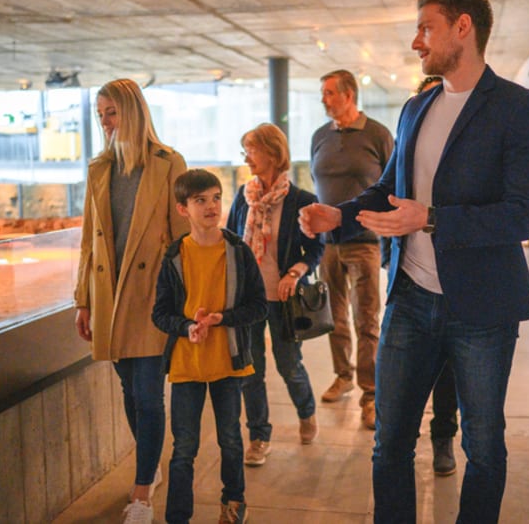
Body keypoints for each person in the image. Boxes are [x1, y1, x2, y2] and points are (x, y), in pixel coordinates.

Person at [299, 0, 529, 523]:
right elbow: (390, 189)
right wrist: (338, 214)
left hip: (482, 310)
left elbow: (525, 214)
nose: (417, 41)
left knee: (483, 449)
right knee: (389, 443)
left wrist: (432, 219)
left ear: (463, 27)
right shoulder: (416, 108)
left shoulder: (521, 108)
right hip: (411, 300)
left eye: (426, 27)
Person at [73, 78, 189, 524]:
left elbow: (183, 242)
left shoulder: (168, 163)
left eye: (112, 112)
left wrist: (183, 306)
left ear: (133, 112)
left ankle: (142, 492)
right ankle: (150, 463)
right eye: (100, 114)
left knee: (147, 393)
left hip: (151, 296)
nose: (105, 122)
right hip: (109, 296)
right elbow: (90, 241)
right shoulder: (99, 168)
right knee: (129, 389)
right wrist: (83, 300)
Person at [152, 169, 268, 524]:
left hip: (228, 362)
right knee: (183, 448)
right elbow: (160, 313)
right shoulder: (174, 256)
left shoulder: (238, 250)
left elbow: (259, 306)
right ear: (182, 209)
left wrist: (224, 318)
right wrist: (187, 327)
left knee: (231, 439)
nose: (211, 206)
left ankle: (233, 503)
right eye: (200, 200)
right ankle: (178, 516)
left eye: (216, 198)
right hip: (187, 363)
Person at [227, 123, 324, 465]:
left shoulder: (301, 201)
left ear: (272, 152)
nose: (247, 158)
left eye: (251, 150)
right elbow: (230, 241)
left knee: (288, 365)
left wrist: (295, 273)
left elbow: (314, 250)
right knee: (251, 370)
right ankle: (258, 436)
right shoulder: (244, 196)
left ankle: (307, 410)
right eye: (246, 151)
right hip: (247, 300)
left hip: (282, 300)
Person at [310, 69, 393, 430]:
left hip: (365, 242)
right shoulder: (319, 137)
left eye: (329, 93)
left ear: (348, 95)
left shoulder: (377, 134)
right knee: (334, 317)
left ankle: (371, 393)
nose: (324, 99)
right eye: (323, 93)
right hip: (329, 246)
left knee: (366, 319)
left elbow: (392, 183)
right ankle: (342, 375)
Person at [416, 75, 460, 478]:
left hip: (458, 285)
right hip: (413, 283)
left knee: (448, 373)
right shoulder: (412, 145)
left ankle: (443, 436)